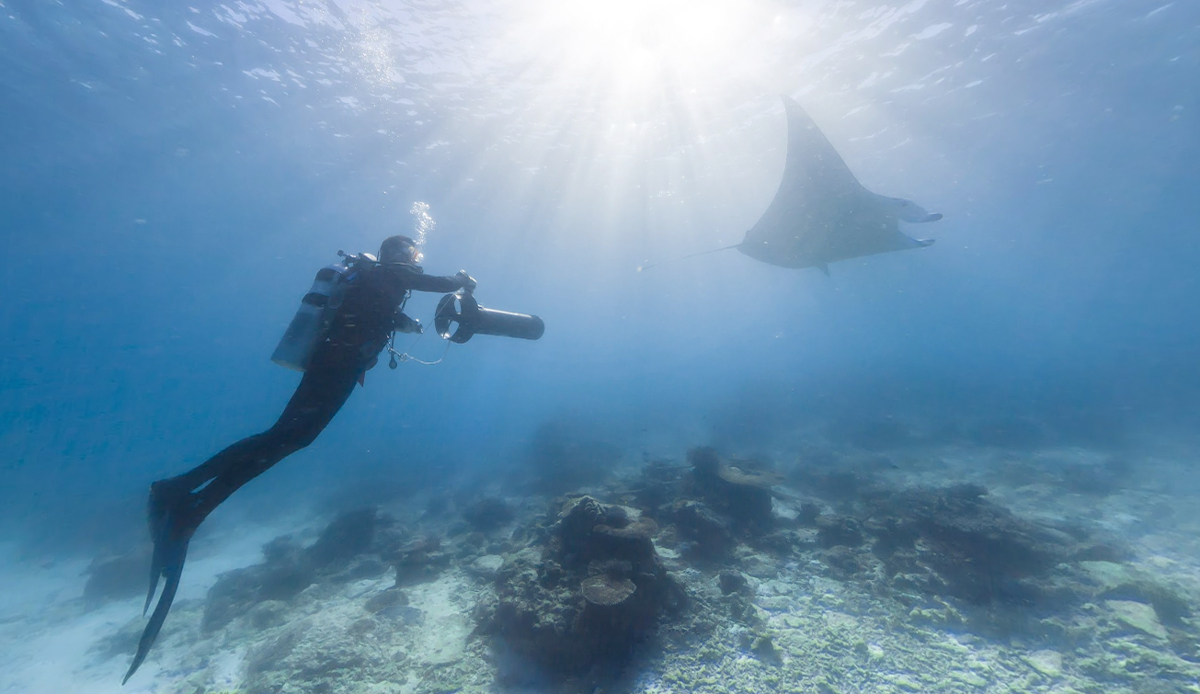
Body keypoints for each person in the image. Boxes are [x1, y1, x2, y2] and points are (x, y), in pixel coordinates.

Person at [124, 235, 474, 683]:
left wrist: (399, 322)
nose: (415, 261)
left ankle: (194, 504)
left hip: (339, 364)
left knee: (289, 439)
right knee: (284, 436)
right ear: (400, 254)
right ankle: (177, 491)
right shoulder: (385, 272)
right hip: (336, 364)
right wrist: (458, 281)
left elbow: (374, 311)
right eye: (412, 254)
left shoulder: (381, 282)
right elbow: (417, 282)